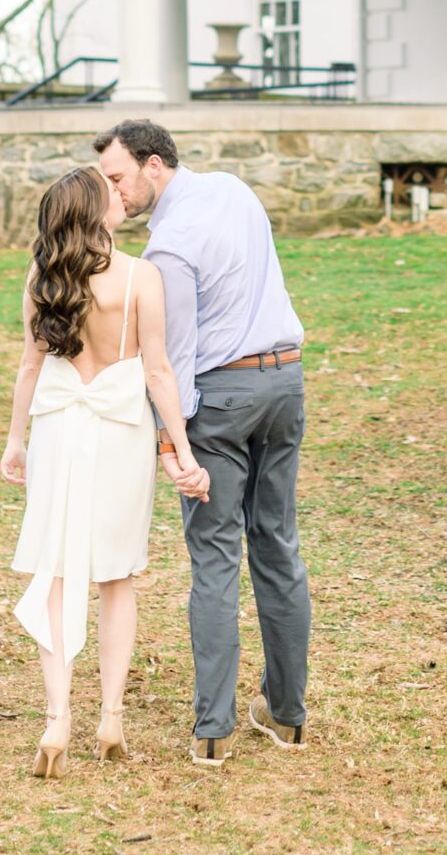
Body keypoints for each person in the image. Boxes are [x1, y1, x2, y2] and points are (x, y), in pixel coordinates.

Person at [95, 117, 311, 772]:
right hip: (285, 381)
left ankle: (213, 729)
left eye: (118, 177)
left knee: (215, 558)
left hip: (220, 398)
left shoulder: (168, 247)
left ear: (153, 165)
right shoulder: (235, 190)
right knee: (276, 543)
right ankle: (287, 713)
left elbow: (175, 359)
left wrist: (171, 444)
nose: (114, 192)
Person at [0, 163, 208, 777]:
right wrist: (184, 453)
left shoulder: (42, 277)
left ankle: (57, 718)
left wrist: (16, 441)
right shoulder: (141, 275)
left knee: (58, 572)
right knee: (117, 578)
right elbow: (158, 372)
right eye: (108, 191)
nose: (120, 195)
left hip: (59, 430)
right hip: (120, 431)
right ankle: (110, 715)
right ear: (94, 212)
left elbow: (30, 368)